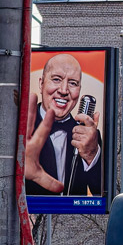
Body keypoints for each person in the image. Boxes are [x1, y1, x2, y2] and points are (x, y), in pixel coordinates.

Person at [24, 53, 102, 196]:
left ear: (79, 89)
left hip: (72, 211)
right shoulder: (20, 128)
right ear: (41, 84)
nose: (64, 90)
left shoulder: (90, 137)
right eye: (56, 79)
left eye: (73, 83)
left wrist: (91, 155)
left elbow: (104, 194)